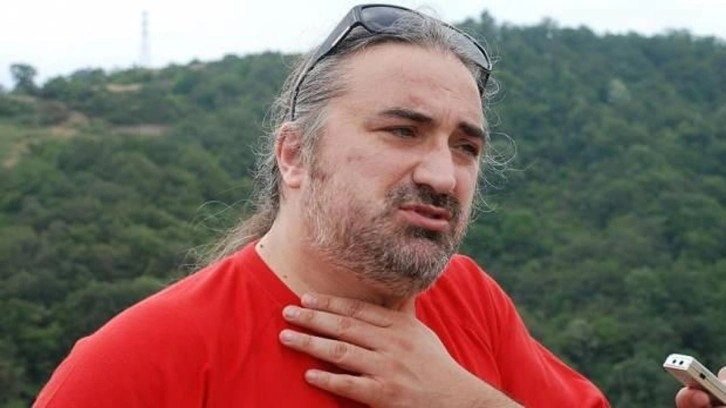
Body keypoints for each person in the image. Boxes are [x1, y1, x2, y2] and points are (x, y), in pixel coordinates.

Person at [33, 4, 618, 407]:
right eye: (402, 131)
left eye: (465, 147)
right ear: (294, 155)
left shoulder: (469, 300)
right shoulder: (136, 364)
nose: (444, 176)